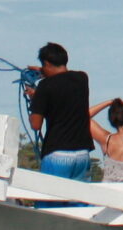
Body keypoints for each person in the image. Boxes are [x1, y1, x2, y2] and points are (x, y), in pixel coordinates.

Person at [26, 42, 97, 180]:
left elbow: (36, 124)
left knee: (50, 198)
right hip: (82, 153)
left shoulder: (44, 87)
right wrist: (43, 73)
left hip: (58, 153)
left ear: (46, 63)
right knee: (78, 199)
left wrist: (35, 99)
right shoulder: (82, 78)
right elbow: (62, 85)